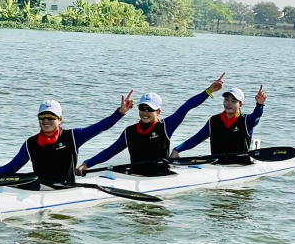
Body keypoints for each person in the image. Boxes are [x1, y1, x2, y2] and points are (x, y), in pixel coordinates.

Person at [77, 74, 226, 176]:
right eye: (142, 108)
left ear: (158, 111)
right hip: (135, 175)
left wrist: (209, 91)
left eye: (149, 109)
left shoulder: (166, 126)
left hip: (161, 177)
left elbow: (186, 106)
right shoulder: (130, 132)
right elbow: (110, 152)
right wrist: (87, 164)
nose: (145, 113)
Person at [0, 91, 135, 185]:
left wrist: (120, 112)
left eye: (51, 117)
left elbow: (99, 127)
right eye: (43, 117)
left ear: (60, 120)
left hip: (66, 189)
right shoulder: (30, 143)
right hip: (41, 187)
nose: (46, 121)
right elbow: (12, 168)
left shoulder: (73, 137)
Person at [170, 86, 267, 165]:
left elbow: (256, 116)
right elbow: (197, 139)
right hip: (218, 165)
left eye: (233, 101)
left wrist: (259, 105)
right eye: (226, 99)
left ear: (241, 104)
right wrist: (177, 149)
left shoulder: (247, 121)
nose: (229, 103)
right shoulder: (214, 121)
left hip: (240, 165)